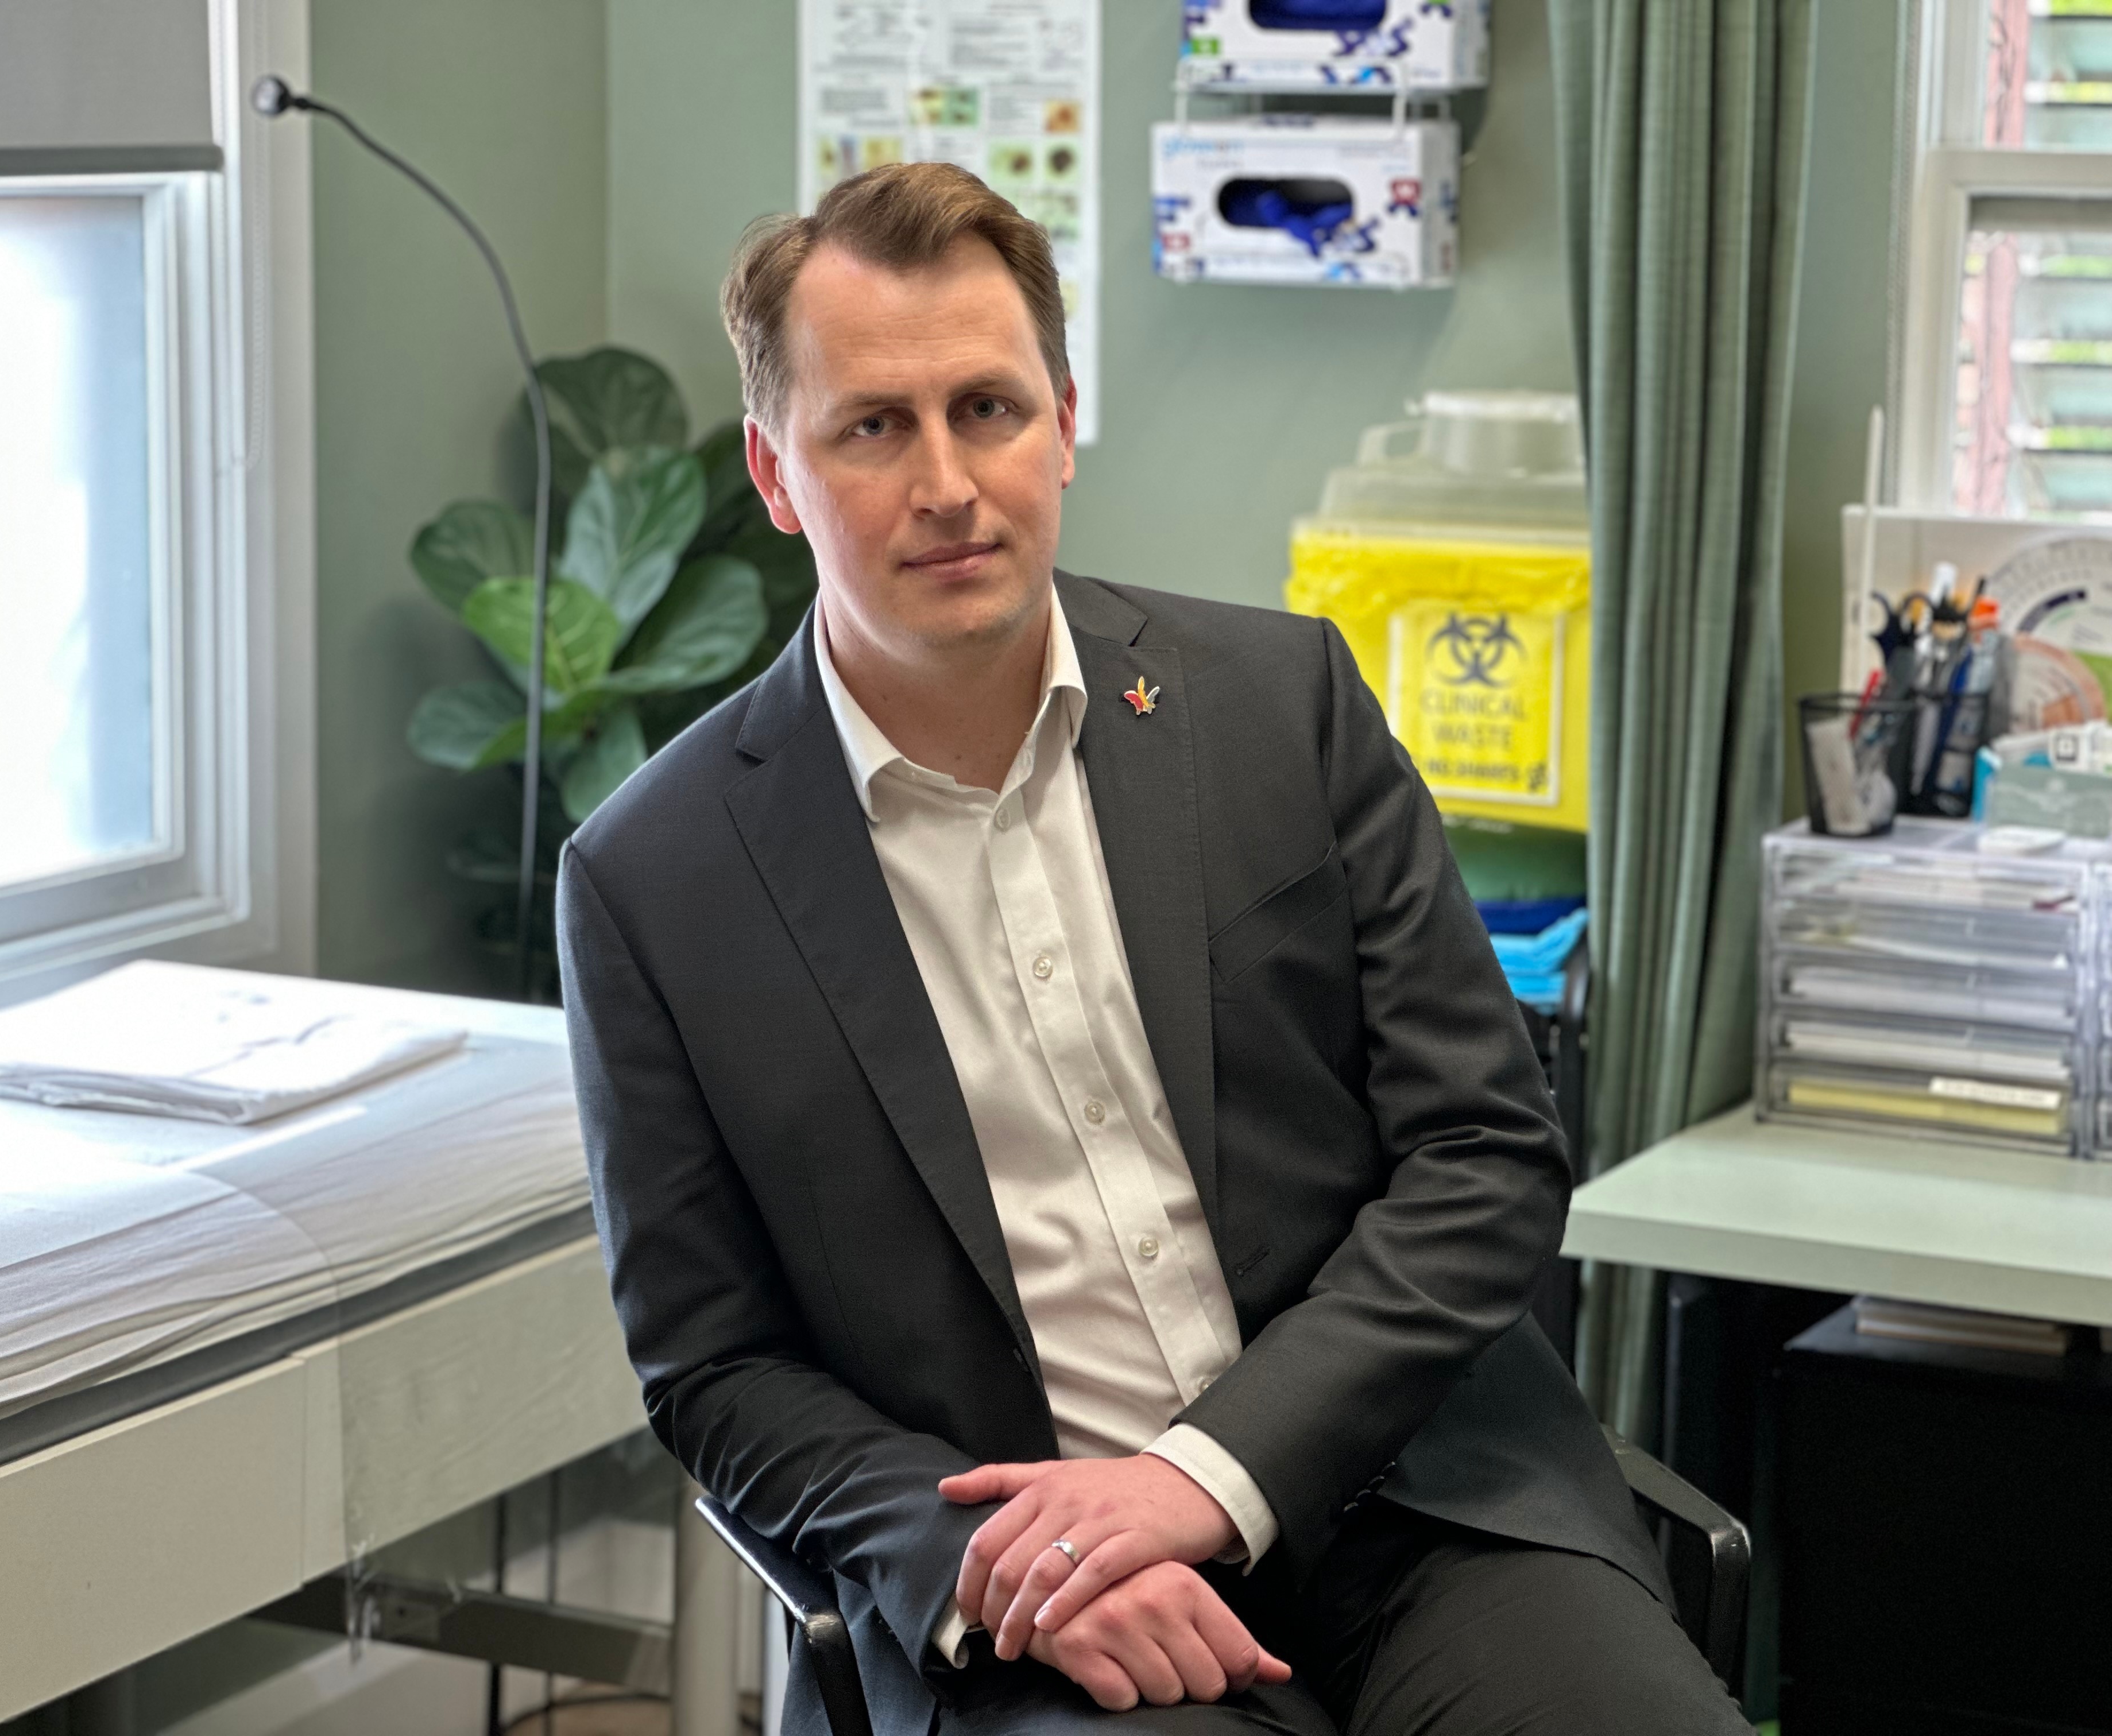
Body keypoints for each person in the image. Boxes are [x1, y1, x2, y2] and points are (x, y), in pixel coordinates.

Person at [558, 161, 1744, 1735]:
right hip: (1045, 1583)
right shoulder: (656, 878)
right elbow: (715, 1372)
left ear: (1061, 415)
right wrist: (985, 1554)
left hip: (1416, 1505)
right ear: (778, 476)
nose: (946, 483)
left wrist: (1205, 1478)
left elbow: (1485, 1152)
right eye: (871, 427)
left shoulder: (1281, 707)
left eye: (986, 408)